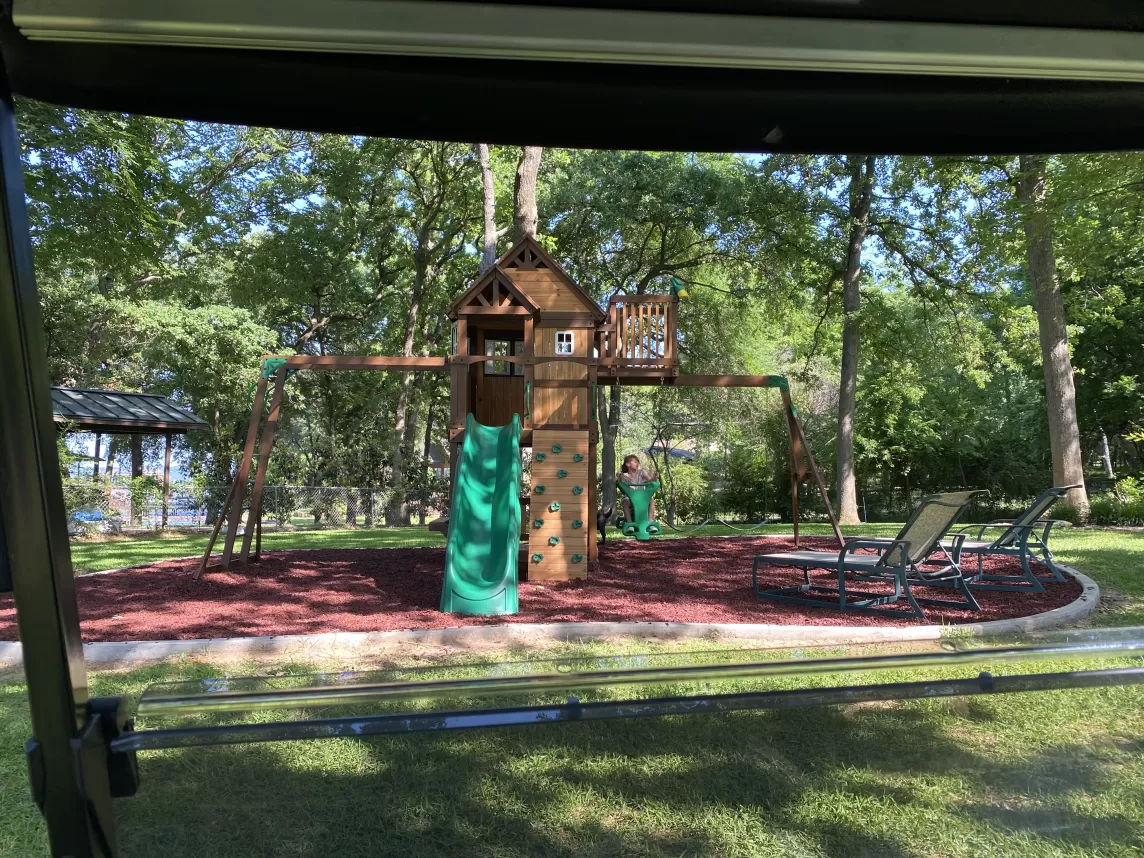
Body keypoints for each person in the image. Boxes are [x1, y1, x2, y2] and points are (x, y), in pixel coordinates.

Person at [619, 454, 657, 522]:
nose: (637, 464)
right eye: (635, 462)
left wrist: (654, 477)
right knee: (625, 501)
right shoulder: (624, 475)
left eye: (638, 462)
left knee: (651, 500)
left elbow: (650, 480)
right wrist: (620, 477)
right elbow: (622, 485)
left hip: (642, 497)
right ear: (628, 464)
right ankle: (629, 522)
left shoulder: (641, 472)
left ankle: (650, 520)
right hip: (630, 498)